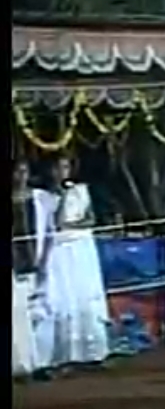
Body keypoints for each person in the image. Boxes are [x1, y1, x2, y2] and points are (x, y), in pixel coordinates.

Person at [37, 156, 112, 370]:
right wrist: (62, 198)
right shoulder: (44, 196)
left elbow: (90, 218)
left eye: (65, 167)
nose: (62, 171)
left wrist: (75, 225)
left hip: (82, 247)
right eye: (58, 167)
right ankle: (63, 354)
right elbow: (57, 223)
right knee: (64, 296)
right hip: (60, 251)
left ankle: (92, 352)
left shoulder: (80, 190)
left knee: (85, 293)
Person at [12, 159, 55, 379]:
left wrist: (44, 259)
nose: (21, 177)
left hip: (36, 261)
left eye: (24, 172)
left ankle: (42, 362)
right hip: (15, 262)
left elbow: (50, 232)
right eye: (17, 172)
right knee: (19, 315)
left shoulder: (40, 198)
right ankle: (23, 364)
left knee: (41, 312)